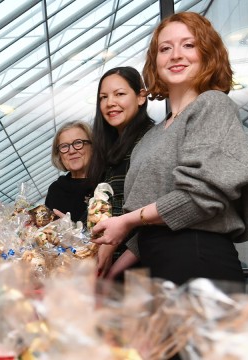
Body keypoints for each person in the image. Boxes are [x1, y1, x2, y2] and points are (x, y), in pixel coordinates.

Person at [91, 12, 248, 292]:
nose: (175, 55)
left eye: (188, 45)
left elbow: (200, 198)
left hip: (197, 261)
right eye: (165, 48)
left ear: (208, 54)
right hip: (156, 265)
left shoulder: (212, 105)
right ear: (155, 61)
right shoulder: (153, 135)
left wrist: (124, 221)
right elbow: (150, 227)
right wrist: (111, 273)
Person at [86, 66, 154, 278]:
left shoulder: (150, 143)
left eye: (120, 94)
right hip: (111, 268)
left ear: (141, 97)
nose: (110, 103)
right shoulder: (109, 150)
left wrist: (113, 263)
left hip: (140, 268)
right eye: (103, 97)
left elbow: (151, 216)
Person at [44, 120, 95, 223]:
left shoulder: (108, 181)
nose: (71, 151)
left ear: (93, 147)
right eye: (64, 146)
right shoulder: (56, 190)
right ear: (59, 155)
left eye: (78, 143)